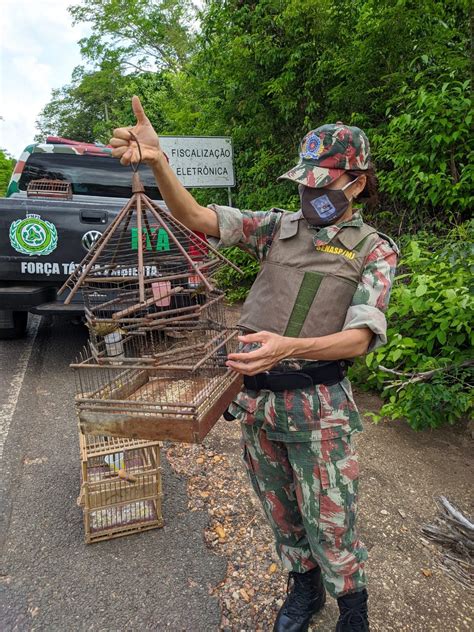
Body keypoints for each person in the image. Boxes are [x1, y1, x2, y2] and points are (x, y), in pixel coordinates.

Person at [110, 96, 399, 632]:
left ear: (356, 183)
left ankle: (352, 610)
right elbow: (195, 216)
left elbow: (359, 338)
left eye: (324, 185)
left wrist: (288, 347)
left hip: (319, 410)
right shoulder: (276, 229)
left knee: (331, 518)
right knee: (281, 512)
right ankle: (304, 592)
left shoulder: (372, 249)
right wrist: (158, 163)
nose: (311, 195)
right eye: (306, 185)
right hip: (258, 402)